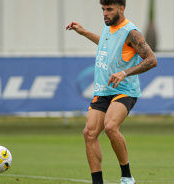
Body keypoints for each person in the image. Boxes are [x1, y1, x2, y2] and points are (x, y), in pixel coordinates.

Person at [66, 0, 157, 184]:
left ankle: (127, 176)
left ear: (121, 9)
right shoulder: (108, 26)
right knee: (89, 133)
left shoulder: (132, 32)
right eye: (103, 9)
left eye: (109, 9)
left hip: (124, 90)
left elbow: (152, 60)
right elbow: (105, 45)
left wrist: (124, 73)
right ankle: (97, 182)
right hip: (102, 89)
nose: (105, 13)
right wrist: (84, 33)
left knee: (110, 127)